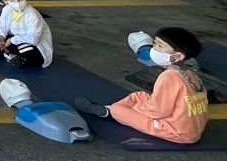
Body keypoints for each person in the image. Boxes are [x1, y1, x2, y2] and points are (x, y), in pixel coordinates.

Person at [75, 27, 209, 144]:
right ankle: (111, 109)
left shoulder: (169, 77)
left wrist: (136, 109)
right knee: (139, 95)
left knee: (117, 110)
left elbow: (159, 111)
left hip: (174, 131)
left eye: (160, 46)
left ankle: (111, 111)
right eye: (154, 43)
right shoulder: (189, 72)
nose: (154, 49)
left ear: (178, 56)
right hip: (190, 128)